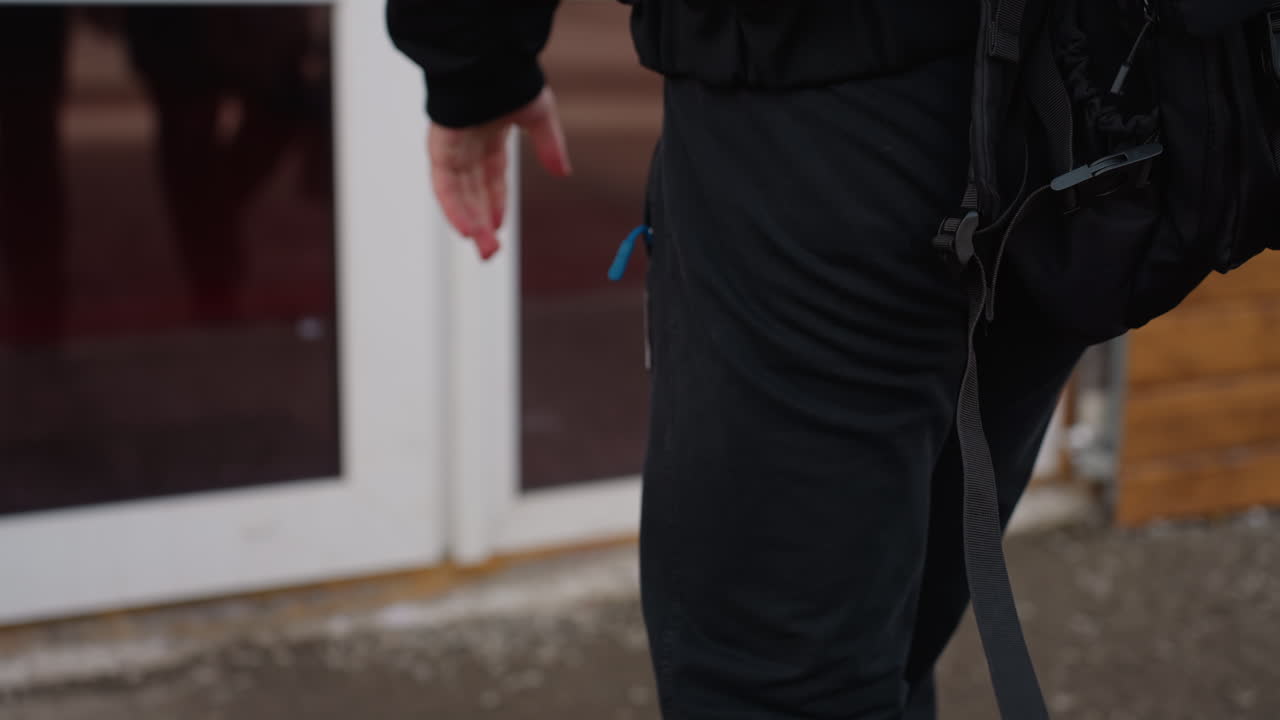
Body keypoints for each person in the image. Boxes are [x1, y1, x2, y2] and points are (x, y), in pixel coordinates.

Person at [385, 1, 1085, 717]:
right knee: (876, 633)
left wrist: (471, 58)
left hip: (829, 114)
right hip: (1073, 119)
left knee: (778, 675)